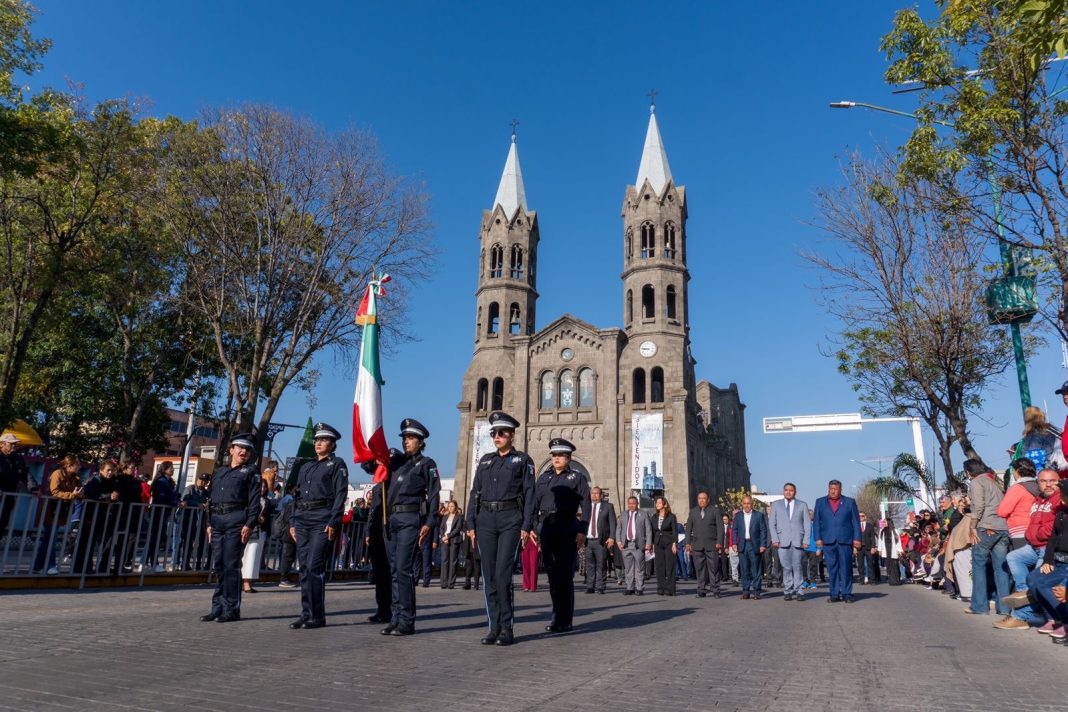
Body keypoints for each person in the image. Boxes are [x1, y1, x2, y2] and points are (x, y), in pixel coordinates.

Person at [465, 410, 535, 646]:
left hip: (510, 519)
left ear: (512, 435)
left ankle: (507, 628)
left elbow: (530, 494)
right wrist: (470, 522)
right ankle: (493, 627)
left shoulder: (523, 461)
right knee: (489, 577)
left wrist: (527, 525)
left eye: (502, 432)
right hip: (485, 520)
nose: (497, 436)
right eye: (494, 432)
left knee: (503, 575)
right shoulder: (485, 460)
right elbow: (475, 492)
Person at [381, 418, 440, 637]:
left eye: (411, 438)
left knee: (404, 569)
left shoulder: (427, 464)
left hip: (410, 517)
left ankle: (407, 620)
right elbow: (369, 466)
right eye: (405, 438)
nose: (407, 442)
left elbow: (434, 494)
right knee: (394, 570)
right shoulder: (396, 462)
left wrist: (430, 522)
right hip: (392, 519)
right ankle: (395, 617)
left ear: (421, 442)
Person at [289, 423, 349, 629]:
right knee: (304, 568)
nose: (318, 443)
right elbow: (296, 496)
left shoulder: (337, 464)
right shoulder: (306, 466)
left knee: (315, 567)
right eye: (317, 440)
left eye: (323, 440)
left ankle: (317, 615)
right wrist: (292, 521)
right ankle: (306, 614)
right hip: (303, 519)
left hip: (322, 519)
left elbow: (341, 494)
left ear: (332, 444)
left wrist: (334, 520)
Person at [532, 437, 590, 633]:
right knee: (552, 576)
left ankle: (565, 619)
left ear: (569, 457)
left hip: (567, 528)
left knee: (565, 577)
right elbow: (534, 504)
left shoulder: (577, 477)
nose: (556, 458)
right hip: (547, 529)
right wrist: (533, 527)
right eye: (554, 455)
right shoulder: (543, 478)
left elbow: (586, 506)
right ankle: (556, 615)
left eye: (561, 455)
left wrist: (582, 530)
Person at [201, 433, 260, 623]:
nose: (244, 452)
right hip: (217, 521)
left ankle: (231, 609)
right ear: (232, 449)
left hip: (236, 521)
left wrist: (249, 524)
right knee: (219, 565)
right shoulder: (219, 472)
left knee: (231, 565)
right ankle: (217, 608)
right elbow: (210, 500)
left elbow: (254, 502)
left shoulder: (251, 472)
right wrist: (209, 523)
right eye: (240, 448)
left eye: (248, 449)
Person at [996, 468, 1062, 630]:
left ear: (1059, 481)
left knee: (1036, 578)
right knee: (1013, 557)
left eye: (1052, 481)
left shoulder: (1061, 499)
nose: (1048, 485)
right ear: (1037, 483)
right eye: (1043, 481)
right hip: (1034, 546)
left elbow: (1055, 527)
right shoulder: (1038, 500)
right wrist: (1029, 535)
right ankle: (1026, 593)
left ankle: (1022, 616)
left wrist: (1038, 534)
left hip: (1049, 547)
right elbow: (1032, 522)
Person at [963, 458, 1011, 617]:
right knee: (1001, 569)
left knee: (978, 565)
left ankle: (979, 606)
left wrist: (972, 527)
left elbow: (979, 505)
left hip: (986, 526)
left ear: (968, 472)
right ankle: (1004, 608)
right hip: (1002, 527)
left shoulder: (977, 482)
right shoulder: (994, 481)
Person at [1027, 478, 1068, 642]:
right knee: (1033, 579)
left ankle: (1065, 621)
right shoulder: (1061, 514)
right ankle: (1055, 618)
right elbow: (1052, 539)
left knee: (1046, 585)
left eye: (1063, 493)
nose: (1061, 496)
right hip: (1057, 562)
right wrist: (1048, 561)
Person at [812, 479, 862, 603]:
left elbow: (856, 522)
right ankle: (834, 594)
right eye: (831, 489)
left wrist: (857, 538)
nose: (833, 491)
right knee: (831, 569)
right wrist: (817, 538)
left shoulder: (850, 502)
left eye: (835, 489)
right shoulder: (820, 502)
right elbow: (816, 522)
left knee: (846, 568)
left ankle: (847, 593)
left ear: (840, 490)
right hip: (828, 541)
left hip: (845, 540)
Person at [33, 455, 82, 575]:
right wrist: (72, 495)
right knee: (51, 539)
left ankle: (37, 566)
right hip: (52, 510)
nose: (79, 467)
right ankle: (50, 565)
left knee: (47, 540)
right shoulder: (58, 473)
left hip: (62, 512)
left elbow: (79, 491)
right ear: (69, 465)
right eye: (77, 464)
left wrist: (80, 494)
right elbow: (54, 491)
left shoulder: (75, 478)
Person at [769, 483, 811, 601]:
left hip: (798, 540)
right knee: (786, 567)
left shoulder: (802, 505)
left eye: (791, 490)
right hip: (782, 541)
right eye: (786, 490)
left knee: (797, 566)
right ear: (783, 491)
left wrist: (806, 540)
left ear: (795, 492)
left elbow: (807, 524)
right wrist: (775, 539)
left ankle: (799, 591)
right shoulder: (776, 505)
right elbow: (772, 523)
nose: (788, 492)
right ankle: (788, 590)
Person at [364, 476, 392, 623]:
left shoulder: (392, 486)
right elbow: (372, 512)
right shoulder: (376, 489)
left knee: (389, 574)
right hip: (375, 532)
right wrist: (368, 532)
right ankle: (382, 609)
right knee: (379, 574)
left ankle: (390, 609)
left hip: (388, 532)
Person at [685, 491, 723, 599]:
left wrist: (719, 542)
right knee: (699, 569)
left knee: (714, 568)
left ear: (708, 500)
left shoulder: (715, 511)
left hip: (712, 545)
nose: (701, 500)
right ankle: (701, 590)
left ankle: (715, 590)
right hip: (697, 545)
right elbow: (688, 529)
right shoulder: (693, 512)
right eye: (699, 498)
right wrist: (688, 543)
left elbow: (720, 528)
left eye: (703, 498)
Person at [997, 458, 1040, 550]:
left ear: (1017, 471)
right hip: (1037, 528)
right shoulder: (1039, 486)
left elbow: (1002, 511)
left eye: (1013, 471)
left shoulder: (1017, 488)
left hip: (1020, 530)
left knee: (1019, 560)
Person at [731, 496, 768, 599]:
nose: (746, 505)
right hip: (742, 545)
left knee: (756, 570)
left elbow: (763, 531)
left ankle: (756, 591)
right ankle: (746, 591)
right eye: (744, 503)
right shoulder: (738, 516)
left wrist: (763, 544)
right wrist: (734, 543)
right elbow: (734, 530)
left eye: (748, 503)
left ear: (752, 504)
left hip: (754, 545)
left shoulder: (758, 515)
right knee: (744, 569)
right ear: (742, 504)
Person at [615, 495, 652, 595]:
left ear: (637, 504)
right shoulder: (623, 515)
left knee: (640, 568)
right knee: (628, 568)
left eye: (633, 503)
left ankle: (639, 588)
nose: (631, 505)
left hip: (638, 545)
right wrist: (618, 542)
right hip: (626, 545)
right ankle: (629, 587)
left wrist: (648, 543)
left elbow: (648, 530)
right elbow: (618, 529)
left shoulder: (643, 514)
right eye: (630, 503)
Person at [145, 462, 179, 573]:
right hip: (158, 511)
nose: (173, 470)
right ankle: (153, 563)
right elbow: (162, 497)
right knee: (155, 538)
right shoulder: (161, 481)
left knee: (156, 538)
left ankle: (146, 562)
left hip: (163, 512)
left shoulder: (168, 481)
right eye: (171, 468)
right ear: (164, 469)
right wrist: (175, 503)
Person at [242, 478, 273, 594]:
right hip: (250, 530)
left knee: (255, 557)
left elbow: (268, 517)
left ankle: (249, 581)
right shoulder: (249, 498)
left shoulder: (267, 501)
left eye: (264, 487)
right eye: (261, 486)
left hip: (261, 531)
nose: (263, 489)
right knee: (248, 556)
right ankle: (246, 582)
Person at [584, 486, 616, 595]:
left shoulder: (608, 506)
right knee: (589, 565)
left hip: (601, 540)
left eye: (597, 493)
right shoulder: (586, 507)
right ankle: (590, 586)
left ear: (601, 494)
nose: (594, 495)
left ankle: (601, 586)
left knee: (601, 564)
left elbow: (612, 523)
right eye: (592, 493)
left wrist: (612, 537)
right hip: (588, 540)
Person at [0, 433, 31, 537]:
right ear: (2, 444)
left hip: (8, 498)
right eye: (11, 444)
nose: (14, 446)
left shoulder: (18, 459)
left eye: (15, 444)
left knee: (2, 525)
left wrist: (34, 488)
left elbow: (26, 475)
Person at [178, 473, 211, 571]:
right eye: (201, 479)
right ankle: (184, 563)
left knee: (201, 542)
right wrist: (198, 504)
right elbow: (184, 501)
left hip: (201, 521)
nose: (202, 482)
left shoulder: (206, 492)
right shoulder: (190, 488)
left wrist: (206, 505)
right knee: (187, 542)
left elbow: (208, 503)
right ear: (197, 479)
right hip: (189, 519)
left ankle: (198, 562)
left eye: (205, 481)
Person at [651, 496, 678, 596]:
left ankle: (670, 589)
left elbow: (675, 531)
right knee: (659, 566)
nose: (657, 504)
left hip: (669, 543)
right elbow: (653, 531)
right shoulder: (654, 517)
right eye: (656, 503)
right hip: (658, 543)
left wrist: (674, 543)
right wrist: (652, 544)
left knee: (669, 566)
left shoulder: (671, 516)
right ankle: (661, 587)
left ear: (664, 504)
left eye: (659, 502)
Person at [439, 500, 464, 589]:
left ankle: (451, 583)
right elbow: (441, 527)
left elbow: (457, 529)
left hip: (454, 540)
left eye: (452, 506)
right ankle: (443, 582)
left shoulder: (459, 516)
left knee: (453, 561)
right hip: (444, 540)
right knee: (444, 561)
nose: (450, 508)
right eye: (449, 506)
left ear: (456, 507)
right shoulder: (445, 516)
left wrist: (448, 536)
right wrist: (443, 536)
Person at [878, 518, 903, 585]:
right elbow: (880, 541)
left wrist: (900, 550)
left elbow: (898, 541)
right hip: (886, 551)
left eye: (885, 522)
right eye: (883, 522)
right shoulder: (882, 531)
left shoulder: (895, 531)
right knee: (888, 566)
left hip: (893, 550)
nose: (884, 524)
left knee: (895, 566)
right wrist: (879, 550)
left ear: (889, 523)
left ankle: (896, 580)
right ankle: (891, 581)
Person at [858, 511, 879, 584]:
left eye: (862, 516)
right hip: (859, 548)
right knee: (860, 565)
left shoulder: (870, 526)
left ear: (865, 517)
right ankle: (861, 579)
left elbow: (872, 537)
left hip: (868, 547)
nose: (861, 517)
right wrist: (854, 547)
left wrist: (873, 547)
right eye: (859, 516)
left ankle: (872, 580)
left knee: (870, 564)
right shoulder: (856, 525)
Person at [520, 525, 539, 592]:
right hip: (524, 542)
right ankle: (526, 586)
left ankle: (533, 586)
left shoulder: (536, 515)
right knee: (525, 565)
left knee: (533, 565)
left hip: (535, 541)